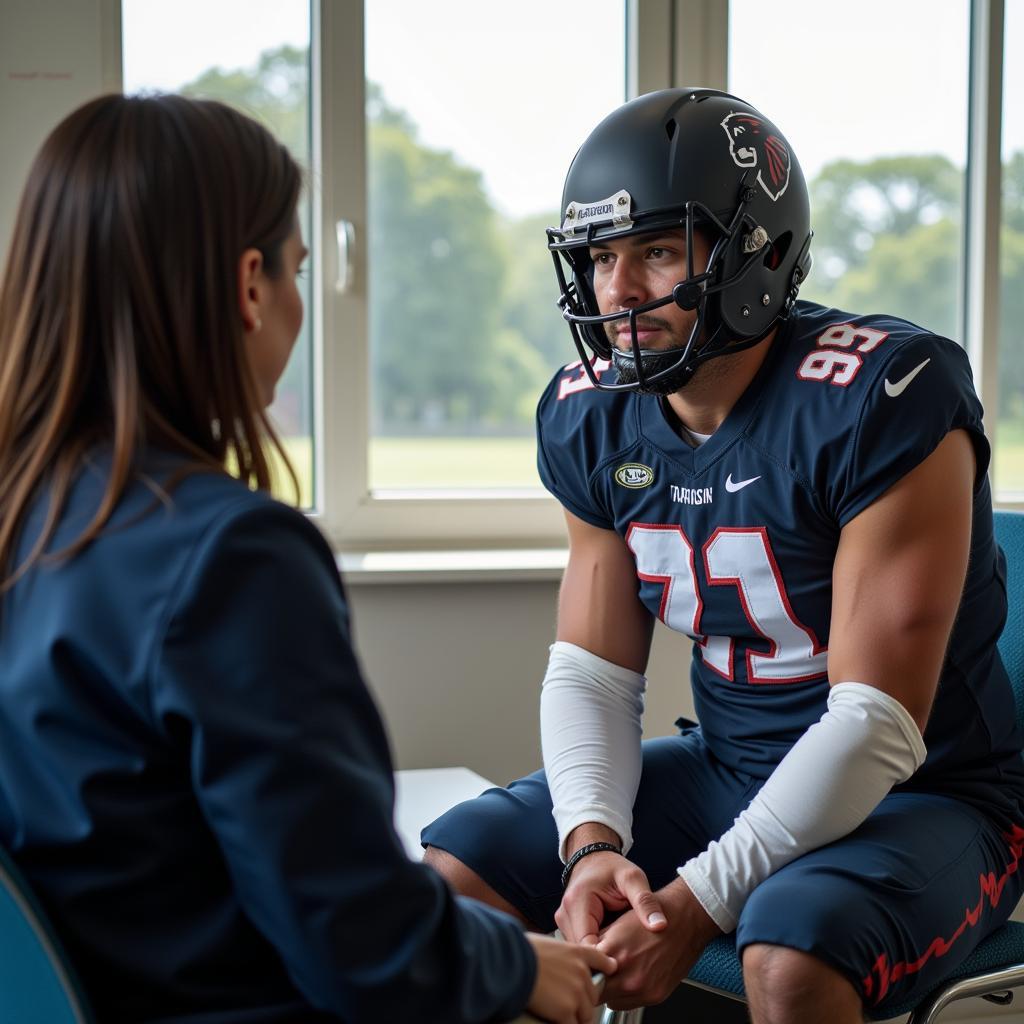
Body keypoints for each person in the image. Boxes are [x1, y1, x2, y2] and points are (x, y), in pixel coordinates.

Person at [0, 93, 615, 1024]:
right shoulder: (231, 557)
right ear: (249, 286)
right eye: (295, 270)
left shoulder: (27, 522)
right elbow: (366, 946)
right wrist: (522, 967)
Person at [423, 87, 1024, 1022]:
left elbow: (875, 725)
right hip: (729, 765)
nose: (617, 290)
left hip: (925, 793)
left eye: (658, 251)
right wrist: (591, 845)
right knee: (454, 874)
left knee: (787, 944)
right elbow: (591, 673)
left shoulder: (882, 395)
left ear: (760, 252)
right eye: (600, 255)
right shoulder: (592, 414)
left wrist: (695, 904)